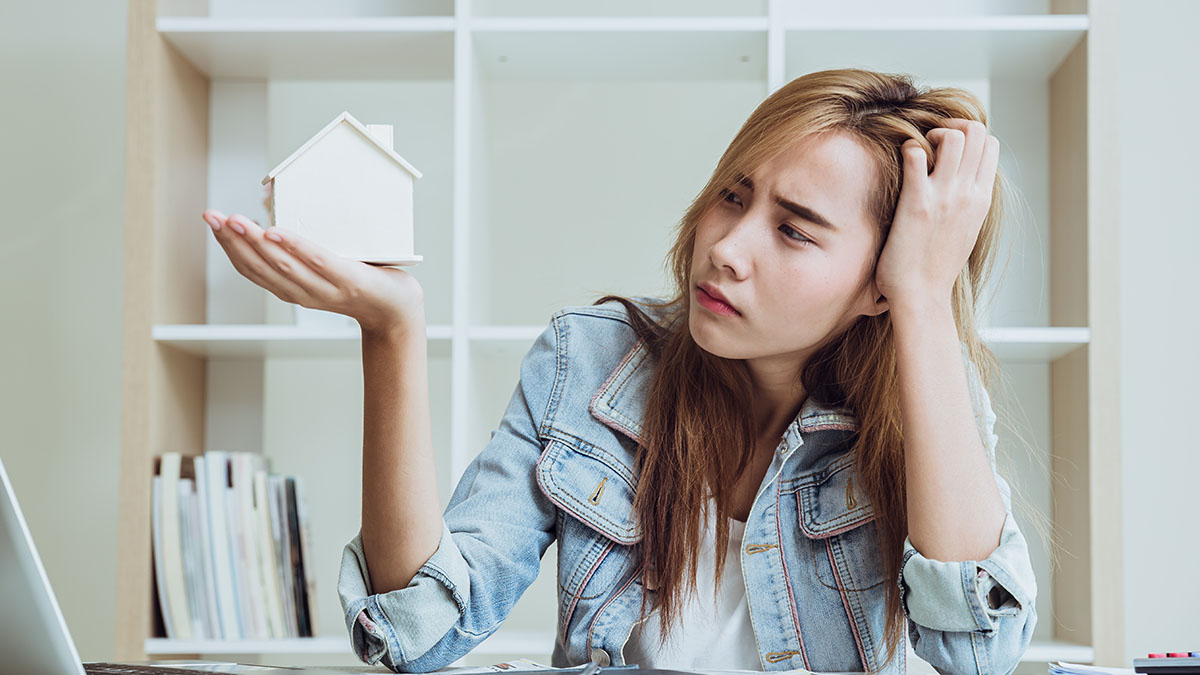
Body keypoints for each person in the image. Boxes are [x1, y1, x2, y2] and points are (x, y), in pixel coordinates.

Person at [202, 67, 1037, 674]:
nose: (725, 248)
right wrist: (391, 330)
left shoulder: (925, 391)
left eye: (795, 229)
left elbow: (980, 651)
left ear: (879, 283)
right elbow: (413, 632)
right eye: (735, 195)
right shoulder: (591, 363)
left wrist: (925, 298)